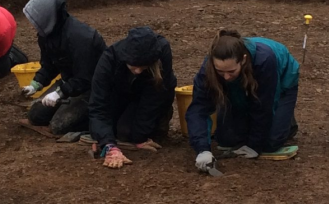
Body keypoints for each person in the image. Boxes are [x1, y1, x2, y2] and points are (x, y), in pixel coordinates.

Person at [185, 29, 299, 171]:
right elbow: (198, 109)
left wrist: (254, 145)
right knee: (227, 140)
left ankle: (287, 121)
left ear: (243, 60)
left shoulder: (265, 60)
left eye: (231, 71)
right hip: (241, 85)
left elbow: (264, 106)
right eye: (220, 72)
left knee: (270, 142)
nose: (225, 76)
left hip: (281, 84)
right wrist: (202, 150)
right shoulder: (208, 69)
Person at [20, 0, 105, 139]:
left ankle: (100, 118)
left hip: (92, 88)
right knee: (35, 116)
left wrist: (60, 93)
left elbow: (85, 78)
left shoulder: (82, 39)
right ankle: (69, 104)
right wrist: (36, 84)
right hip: (70, 83)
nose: (33, 25)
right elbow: (49, 64)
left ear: (47, 17)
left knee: (59, 126)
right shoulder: (46, 35)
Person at [88, 26, 177, 169]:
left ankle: (159, 121)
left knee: (127, 132)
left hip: (146, 96)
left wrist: (140, 137)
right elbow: (98, 105)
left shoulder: (162, 51)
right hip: (119, 97)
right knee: (106, 129)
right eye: (134, 66)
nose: (137, 71)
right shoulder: (109, 60)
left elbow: (155, 96)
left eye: (143, 67)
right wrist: (110, 146)